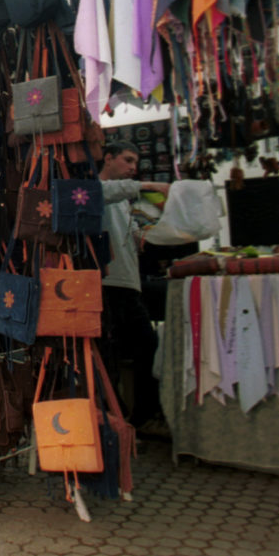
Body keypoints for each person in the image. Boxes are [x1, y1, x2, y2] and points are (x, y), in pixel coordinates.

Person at [99, 140, 170, 433]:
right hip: (108, 285)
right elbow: (103, 192)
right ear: (108, 158)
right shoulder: (97, 189)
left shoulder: (123, 201)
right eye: (127, 160)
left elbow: (134, 234)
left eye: (135, 163)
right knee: (112, 354)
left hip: (127, 284)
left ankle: (137, 417)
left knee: (144, 347)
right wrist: (148, 186)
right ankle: (120, 420)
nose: (132, 167)